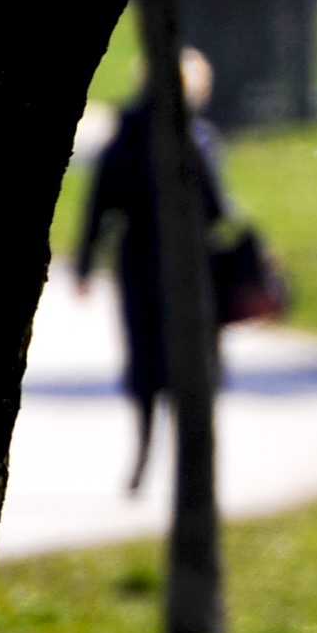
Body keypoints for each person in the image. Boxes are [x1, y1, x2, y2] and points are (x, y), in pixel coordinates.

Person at [75, 47, 230, 491]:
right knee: (194, 363)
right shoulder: (196, 139)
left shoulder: (124, 137)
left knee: (144, 358)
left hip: (137, 261)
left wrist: (86, 264)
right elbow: (217, 209)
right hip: (191, 265)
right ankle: (193, 464)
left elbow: (99, 206)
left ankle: (143, 453)